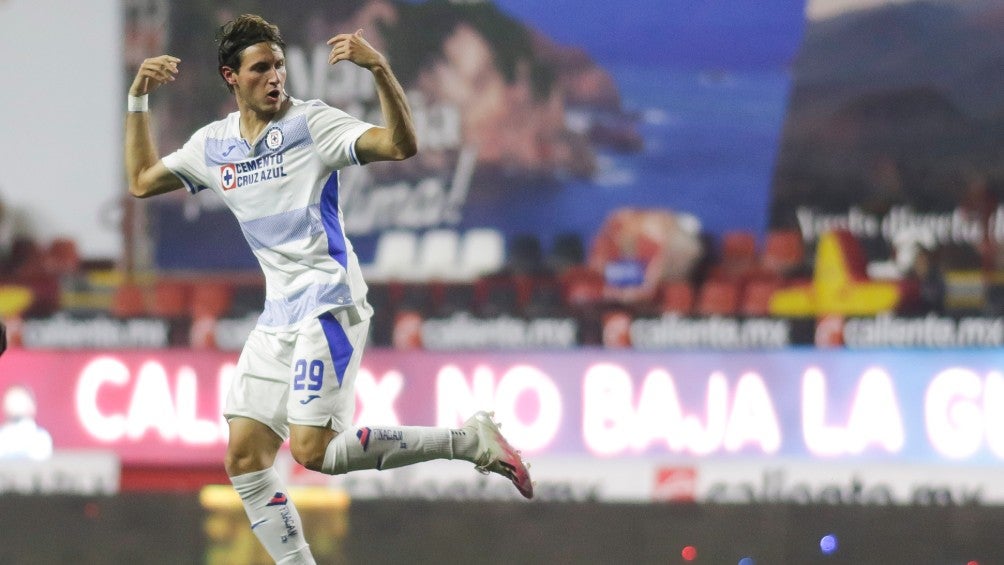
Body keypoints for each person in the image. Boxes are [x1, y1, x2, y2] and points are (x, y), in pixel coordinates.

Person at [125, 14, 532, 564]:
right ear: (232, 77)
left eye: (280, 66)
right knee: (244, 460)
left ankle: (469, 441)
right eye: (260, 68)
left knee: (312, 452)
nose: (275, 77)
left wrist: (381, 71)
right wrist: (138, 99)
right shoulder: (214, 144)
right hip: (278, 315)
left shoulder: (312, 124)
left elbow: (401, 145)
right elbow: (143, 181)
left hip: (329, 302)